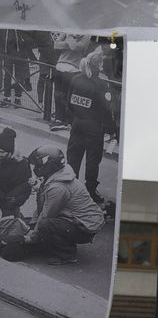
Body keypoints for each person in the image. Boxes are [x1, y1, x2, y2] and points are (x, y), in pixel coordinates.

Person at [23, 145, 105, 265]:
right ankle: (60, 242)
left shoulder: (58, 187)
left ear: (49, 165)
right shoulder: (57, 174)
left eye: (38, 165)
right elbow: (43, 205)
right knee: (36, 223)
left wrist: (32, 237)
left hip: (85, 227)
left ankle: (67, 254)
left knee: (45, 225)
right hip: (79, 219)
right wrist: (32, 225)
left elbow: (46, 214)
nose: (36, 168)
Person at [66, 49, 115, 205]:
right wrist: (111, 129)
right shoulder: (101, 84)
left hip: (77, 124)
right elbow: (107, 110)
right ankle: (90, 191)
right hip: (94, 128)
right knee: (92, 161)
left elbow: (69, 102)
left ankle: (70, 189)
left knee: (74, 157)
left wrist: (74, 119)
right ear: (99, 65)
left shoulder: (75, 79)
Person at [51, 33, 91, 130]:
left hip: (73, 69)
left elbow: (76, 47)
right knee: (58, 95)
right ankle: (59, 119)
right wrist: (72, 40)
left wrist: (67, 38)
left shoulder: (86, 35)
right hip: (60, 67)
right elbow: (56, 45)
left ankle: (67, 121)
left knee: (68, 96)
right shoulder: (69, 31)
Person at [0, 126, 32, 217]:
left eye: (2, 152)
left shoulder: (22, 164)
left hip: (10, 203)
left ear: (10, 152)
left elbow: (25, 187)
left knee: (9, 224)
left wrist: (13, 201)